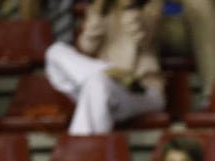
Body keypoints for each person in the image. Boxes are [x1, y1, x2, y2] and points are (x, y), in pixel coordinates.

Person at [44, 0, 165, 135]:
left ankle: (79, 151)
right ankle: (105, 71)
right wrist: (98, 10)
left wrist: (128, 6)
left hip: (142, 89)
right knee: (55, 51)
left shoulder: (151, 5)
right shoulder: (100, 8)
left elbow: (143, 38)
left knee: (96, 84)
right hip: (107, 83)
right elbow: (87, 47)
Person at [156, 0, 215, 108]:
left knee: (199, 4)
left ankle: (212, 97)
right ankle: (143, 91)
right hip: (167, 23)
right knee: (143, 10)